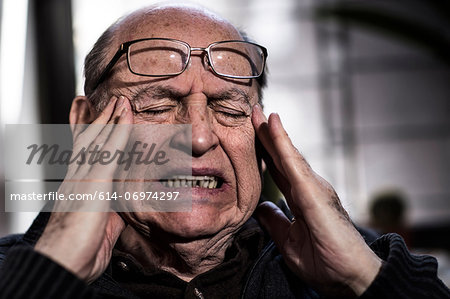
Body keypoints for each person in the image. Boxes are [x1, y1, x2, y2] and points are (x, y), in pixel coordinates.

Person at [0, 3, 449, 298]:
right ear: (83, 127)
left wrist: (365, 279)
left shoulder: (356, 268)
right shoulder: (12, 276)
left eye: (229, 109)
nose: (198, 138)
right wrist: (52, 271)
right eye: (158, 105)